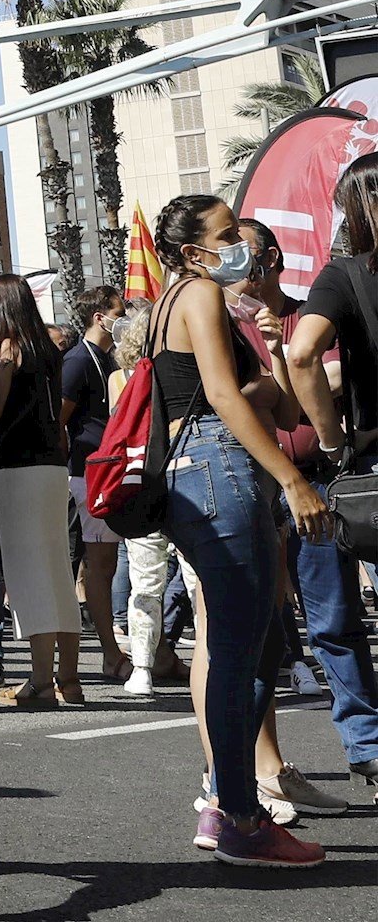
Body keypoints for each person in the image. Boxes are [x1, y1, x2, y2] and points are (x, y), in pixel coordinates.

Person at [149, 193, 335, 866]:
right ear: (193, 251)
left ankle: (231, 804)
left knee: (254, 647)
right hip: (217, 469)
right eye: (228, 235)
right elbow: (225, 398)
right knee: (238, 650)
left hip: (203, 472)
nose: (244, 248)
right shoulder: (197, 295)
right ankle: (238, 815)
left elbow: (279, 401)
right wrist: (292, 479)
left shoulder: (198, 304)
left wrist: (270, 344)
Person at [283, 152, 378, 806]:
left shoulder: (343, 276)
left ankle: (368, 752)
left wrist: (335, 437)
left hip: (366, 465)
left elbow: (301, 352)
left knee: (338, 623)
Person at [0, 275, 83, 709]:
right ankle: (69, 680)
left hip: (16, 469)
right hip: (52, 468)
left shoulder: (5, 349)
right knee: (57, 569)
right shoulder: (49, 351)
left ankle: (40, 681)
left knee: (27, 574)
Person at [60, 288, 129, 682]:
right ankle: (109, 653)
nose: (124, 319)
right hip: (89, 476)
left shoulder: (110, 359)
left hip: (112, 472)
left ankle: (144, 649)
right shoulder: (76, 362)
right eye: (119, 313)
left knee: (113, 565)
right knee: (101, 567)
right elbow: (59, 421)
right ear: (100, 317)